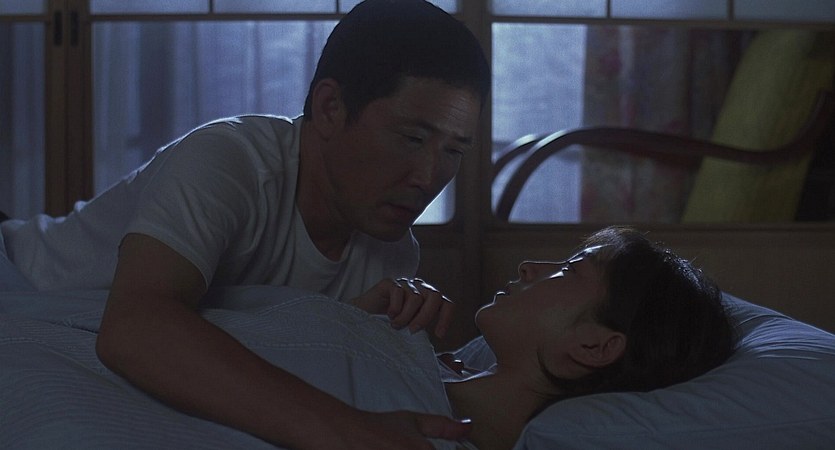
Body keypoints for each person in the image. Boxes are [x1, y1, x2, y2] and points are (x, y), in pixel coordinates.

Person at [0, 0, 489, 448]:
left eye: (453, 151)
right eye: (411, 138)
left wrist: (360, 324)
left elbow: (283, 347)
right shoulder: (230, 159)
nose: (428, 177)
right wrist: (354, 432)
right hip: (15, 275)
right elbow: (136, 328)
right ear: (330, 108)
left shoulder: (392, 253)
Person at [438, 226, 736, 450]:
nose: (527, 267)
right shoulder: (436, 375)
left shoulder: (425, 428)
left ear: (594, 346)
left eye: (570, 270)